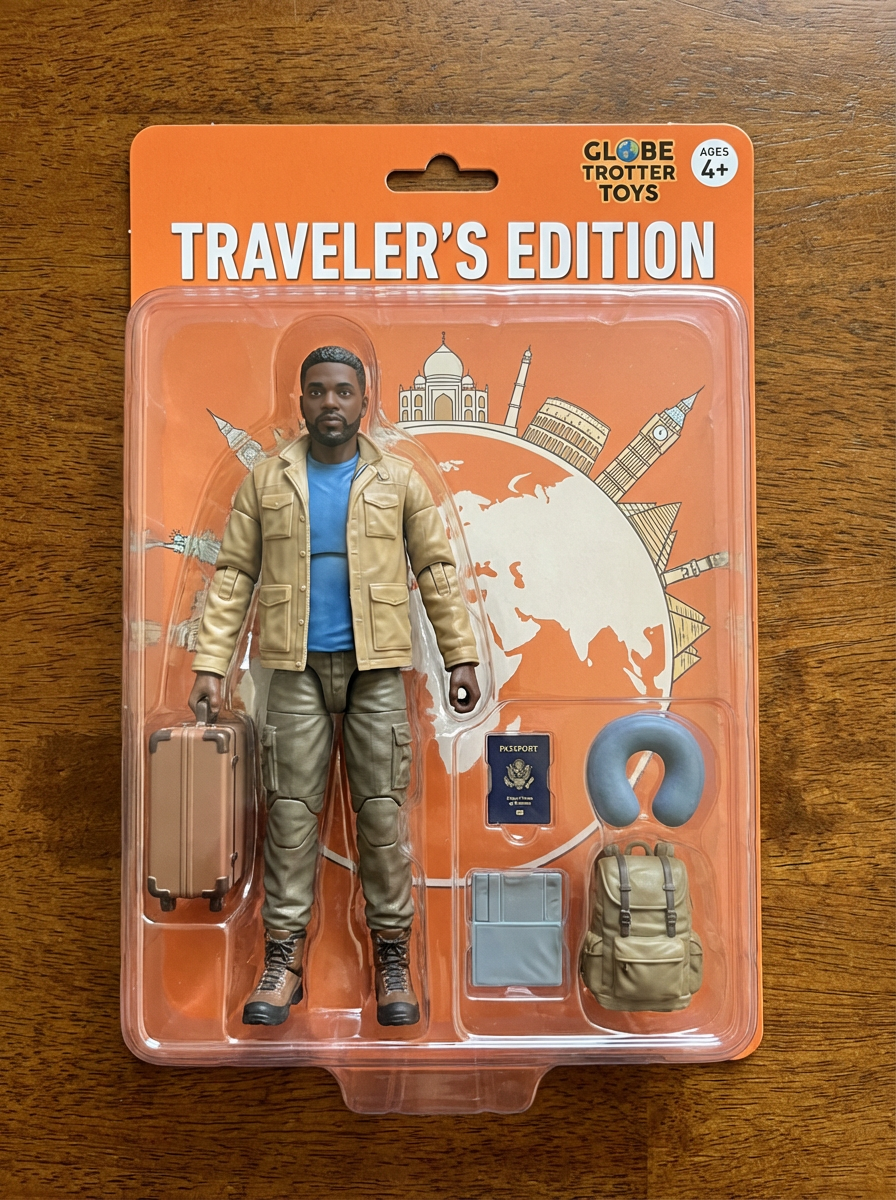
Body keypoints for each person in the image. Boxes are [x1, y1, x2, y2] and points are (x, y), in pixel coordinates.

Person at [189, 345, 480, 1028]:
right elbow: (233, 576)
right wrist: (210, 664)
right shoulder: (267, 482)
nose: (330, 403)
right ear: (300, 401)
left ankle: (393, 960)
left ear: (364, 401)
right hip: (293, 671)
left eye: (343, 391)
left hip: (376, 670)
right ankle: (282, 962)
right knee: (290, 817)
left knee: (381, 817)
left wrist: (460, 658)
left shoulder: (398, 481)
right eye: (317, 390)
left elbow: (437, 572)